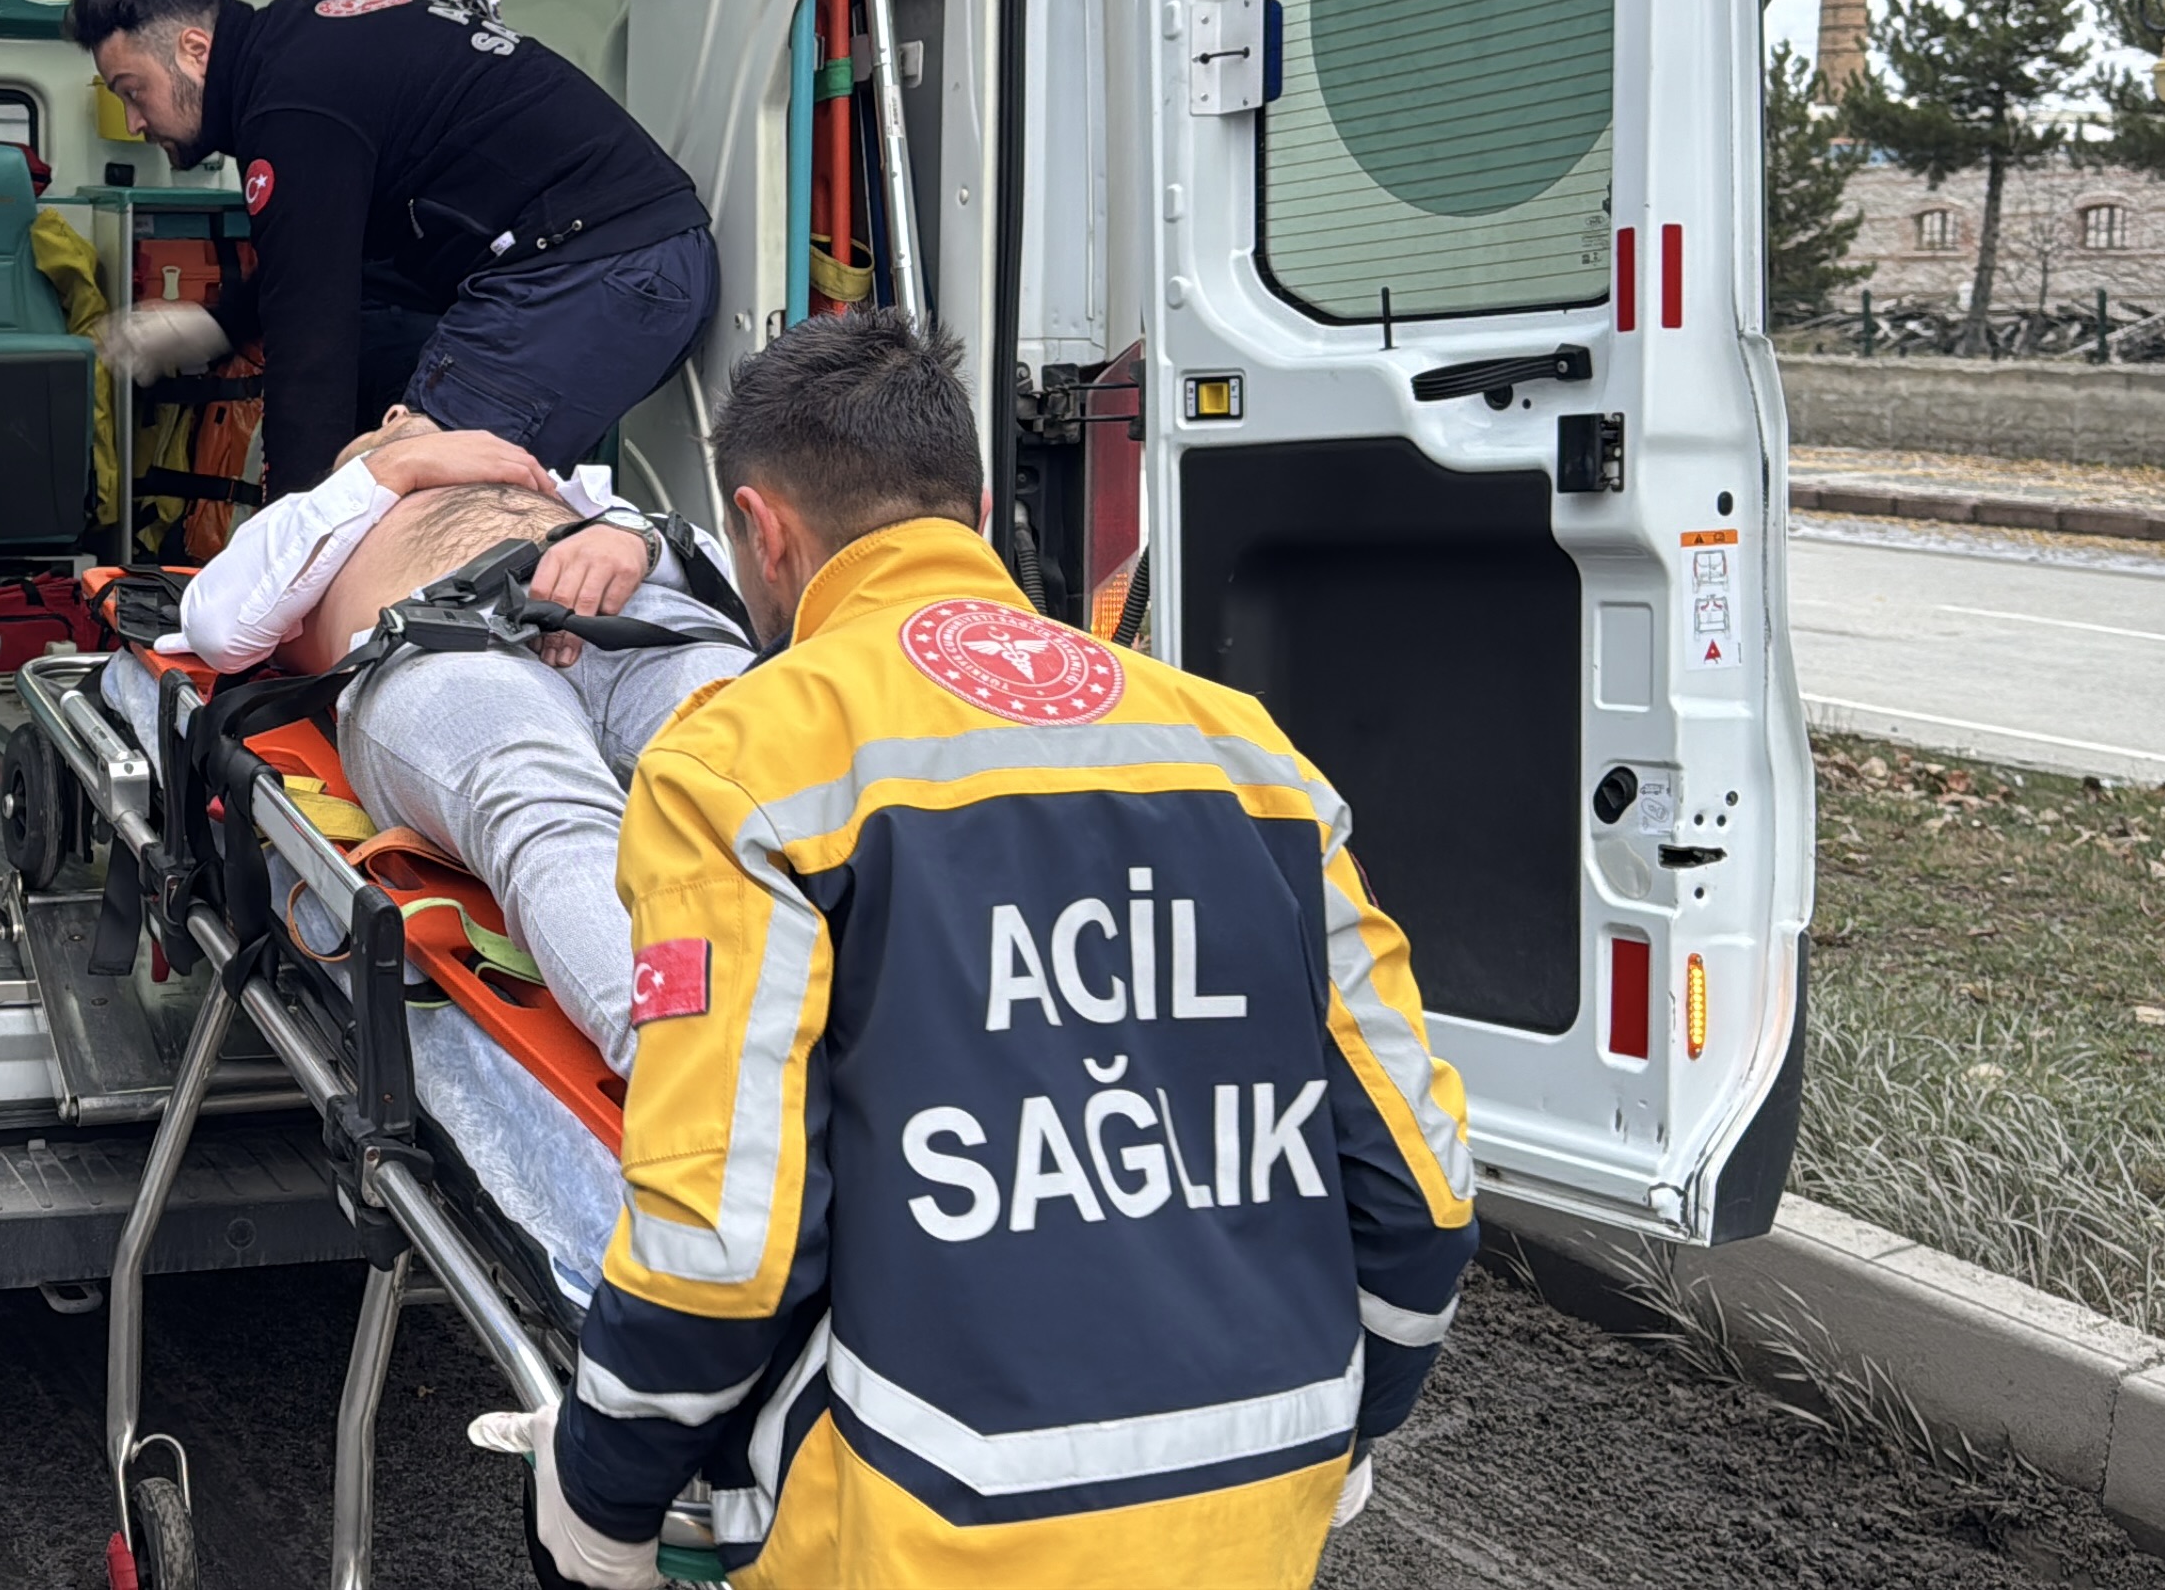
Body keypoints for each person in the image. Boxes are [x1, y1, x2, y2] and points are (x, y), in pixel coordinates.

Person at [498, 311, 1479, 1589]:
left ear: (760, 530)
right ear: (969, 509)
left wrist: (598, 1498)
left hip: (930, 1516)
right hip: (1260, 1504)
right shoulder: (1248, 752)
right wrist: (1350, 1420)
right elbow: (1419, 1190)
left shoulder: (742, 762)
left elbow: (724, 1244)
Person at [174, 410, 751, 1072]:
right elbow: (219, 627)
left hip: (638, 619)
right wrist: (392, 466)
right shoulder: (311, 514)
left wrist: (636, 541)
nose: (400, 413)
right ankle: (705, 1077)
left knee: (766, 773)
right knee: (551, 814)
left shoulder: (566, 489)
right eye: (380, 425)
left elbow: (737, 579)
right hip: (437, 644)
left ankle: (843, 1025)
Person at [65, 0, 716, 496]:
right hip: (642, 261)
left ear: (194, 50)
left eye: (132, 89)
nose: (134, 122)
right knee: (385, 386)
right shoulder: (301, 56)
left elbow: (311, 338)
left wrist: (292, 530)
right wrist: (220, 323)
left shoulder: (290, 105)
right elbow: (328, 266)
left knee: (418, 501)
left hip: (590, 270)